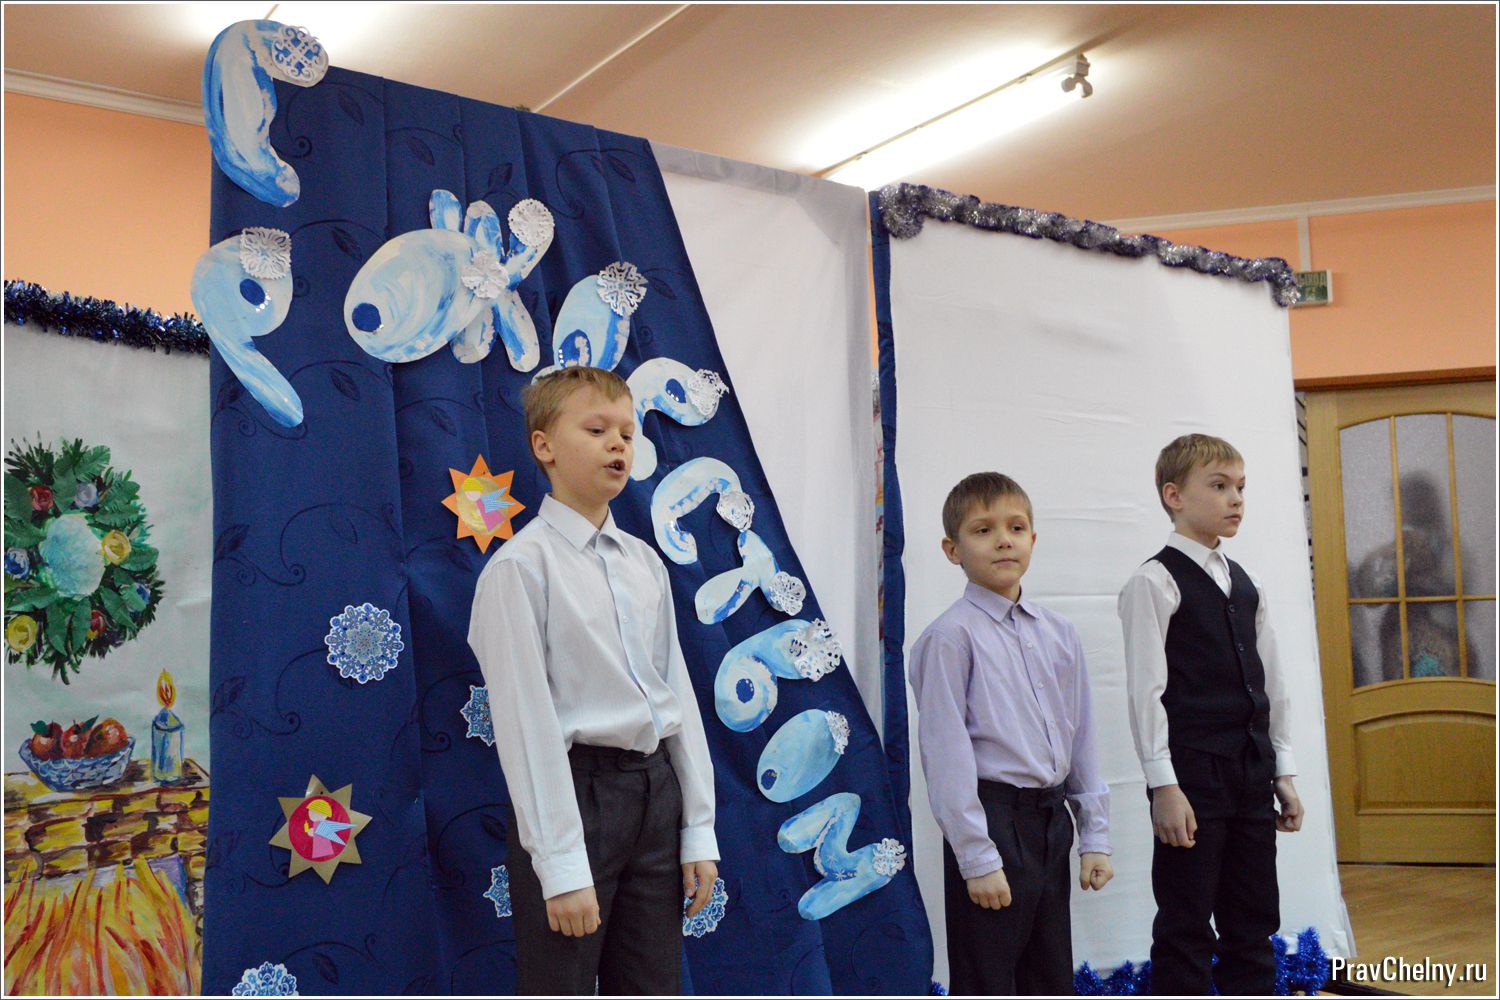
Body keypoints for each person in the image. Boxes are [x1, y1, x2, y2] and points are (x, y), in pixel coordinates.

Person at [467, 366, 719, 995]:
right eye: (597, 429)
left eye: (627, 434)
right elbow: (526, 725)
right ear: (544, 445)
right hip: (577, 799)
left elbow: (675, 698)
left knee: (653, 983)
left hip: (654, 794)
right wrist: (560, 867)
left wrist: (698, 830)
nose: (617, 445)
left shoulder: (645, 565)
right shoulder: (521, 569)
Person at [909, 472, 1113, 996]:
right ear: (952, 550)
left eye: (1016, 528)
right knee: (989, 974)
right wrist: (977, 857)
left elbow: (1081, 736)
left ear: (1033, 540)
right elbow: (945, 754)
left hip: (1050, 819)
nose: (1003, 540)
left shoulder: (1059, 633)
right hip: (993, 820)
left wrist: (1094, 836)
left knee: (1049, 973)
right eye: (983, 530)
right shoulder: (949, 638)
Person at [1117, 433, 1305, 996]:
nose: (1236, 499)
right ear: (1174, 496)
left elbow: (1271, 681)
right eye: (1220, 486)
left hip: (1251, 771)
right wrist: (1164, 786)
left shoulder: (1247, 582)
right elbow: (1145, 693)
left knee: (1254, 918)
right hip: (1193, 776)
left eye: (1241, 487)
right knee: (1186, 921)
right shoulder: (1153, 582)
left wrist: (1282, 770)